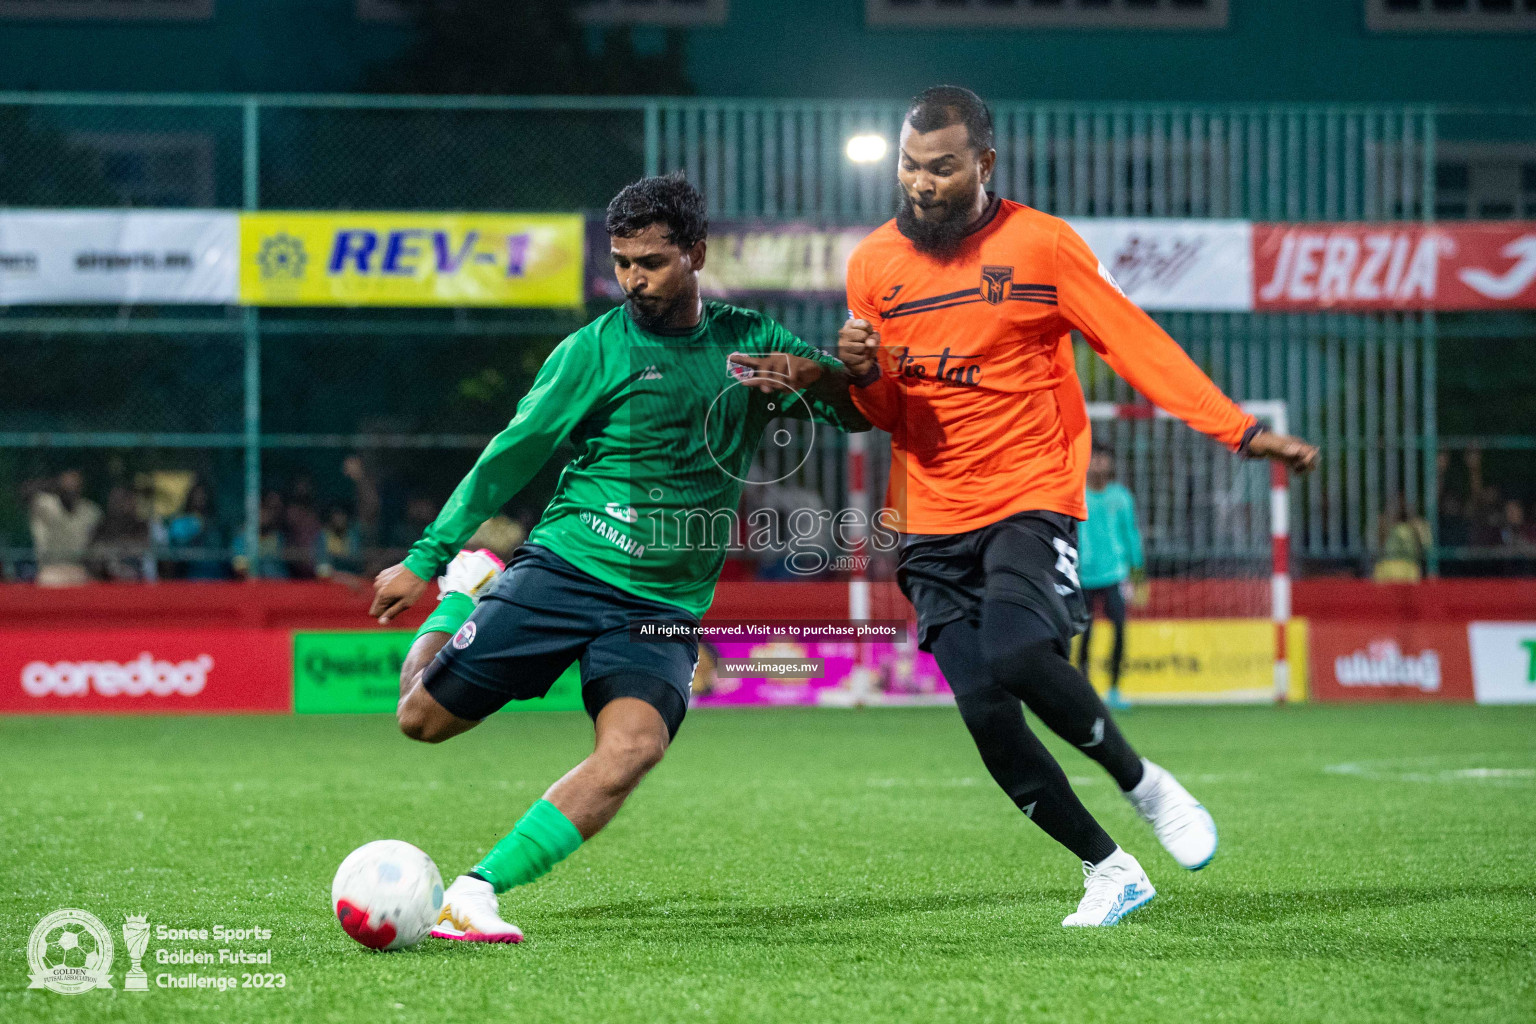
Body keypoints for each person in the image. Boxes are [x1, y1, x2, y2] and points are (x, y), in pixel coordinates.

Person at [837, 86, 1319, 927]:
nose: (920, 184)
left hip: (1028, 493)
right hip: (926, 516)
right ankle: (1110, 870)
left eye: (942, 169)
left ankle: (1145, 785)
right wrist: (862, 372)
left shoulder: (1044, 246)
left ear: (984, 165)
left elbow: (1138, 343)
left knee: (1023, 656)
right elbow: (885, 414)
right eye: (910, 168)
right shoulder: (874, 263)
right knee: (987, 712)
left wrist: (1238, 431)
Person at [367, 173, 868, 944]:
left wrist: (832, 371)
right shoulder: (590, 353)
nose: (633, 279)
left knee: (635, 746)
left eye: (652, 262)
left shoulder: (753, 342)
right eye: (623, 262)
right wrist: (430, 561)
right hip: (567, 569)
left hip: (661, 608)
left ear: (696, 253)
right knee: (420, 720)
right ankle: (468, 594)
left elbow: (857, 413)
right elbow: (509, 457)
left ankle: (475, 891)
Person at [1076, 444, 1144, 708]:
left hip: (1116, 574)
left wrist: (1138, 573)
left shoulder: (1121, 497)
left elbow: (1131, 535)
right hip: (1084, 575)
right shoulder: (1078, 494)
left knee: (1119, 631)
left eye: (1103, 459)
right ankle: (1083, 690)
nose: (1098, 464)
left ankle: (1115, 689)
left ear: (1111, 464)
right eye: (1094, 459)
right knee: (1085, 633)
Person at [26, 469, 102, 587]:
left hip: (79, 570)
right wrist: (54, 483)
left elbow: (96, 543)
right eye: (66, 484)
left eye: (75, 484)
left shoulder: (90, 511)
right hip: (50, 569)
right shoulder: (45, 504)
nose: (71, 487)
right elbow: (25, 491)